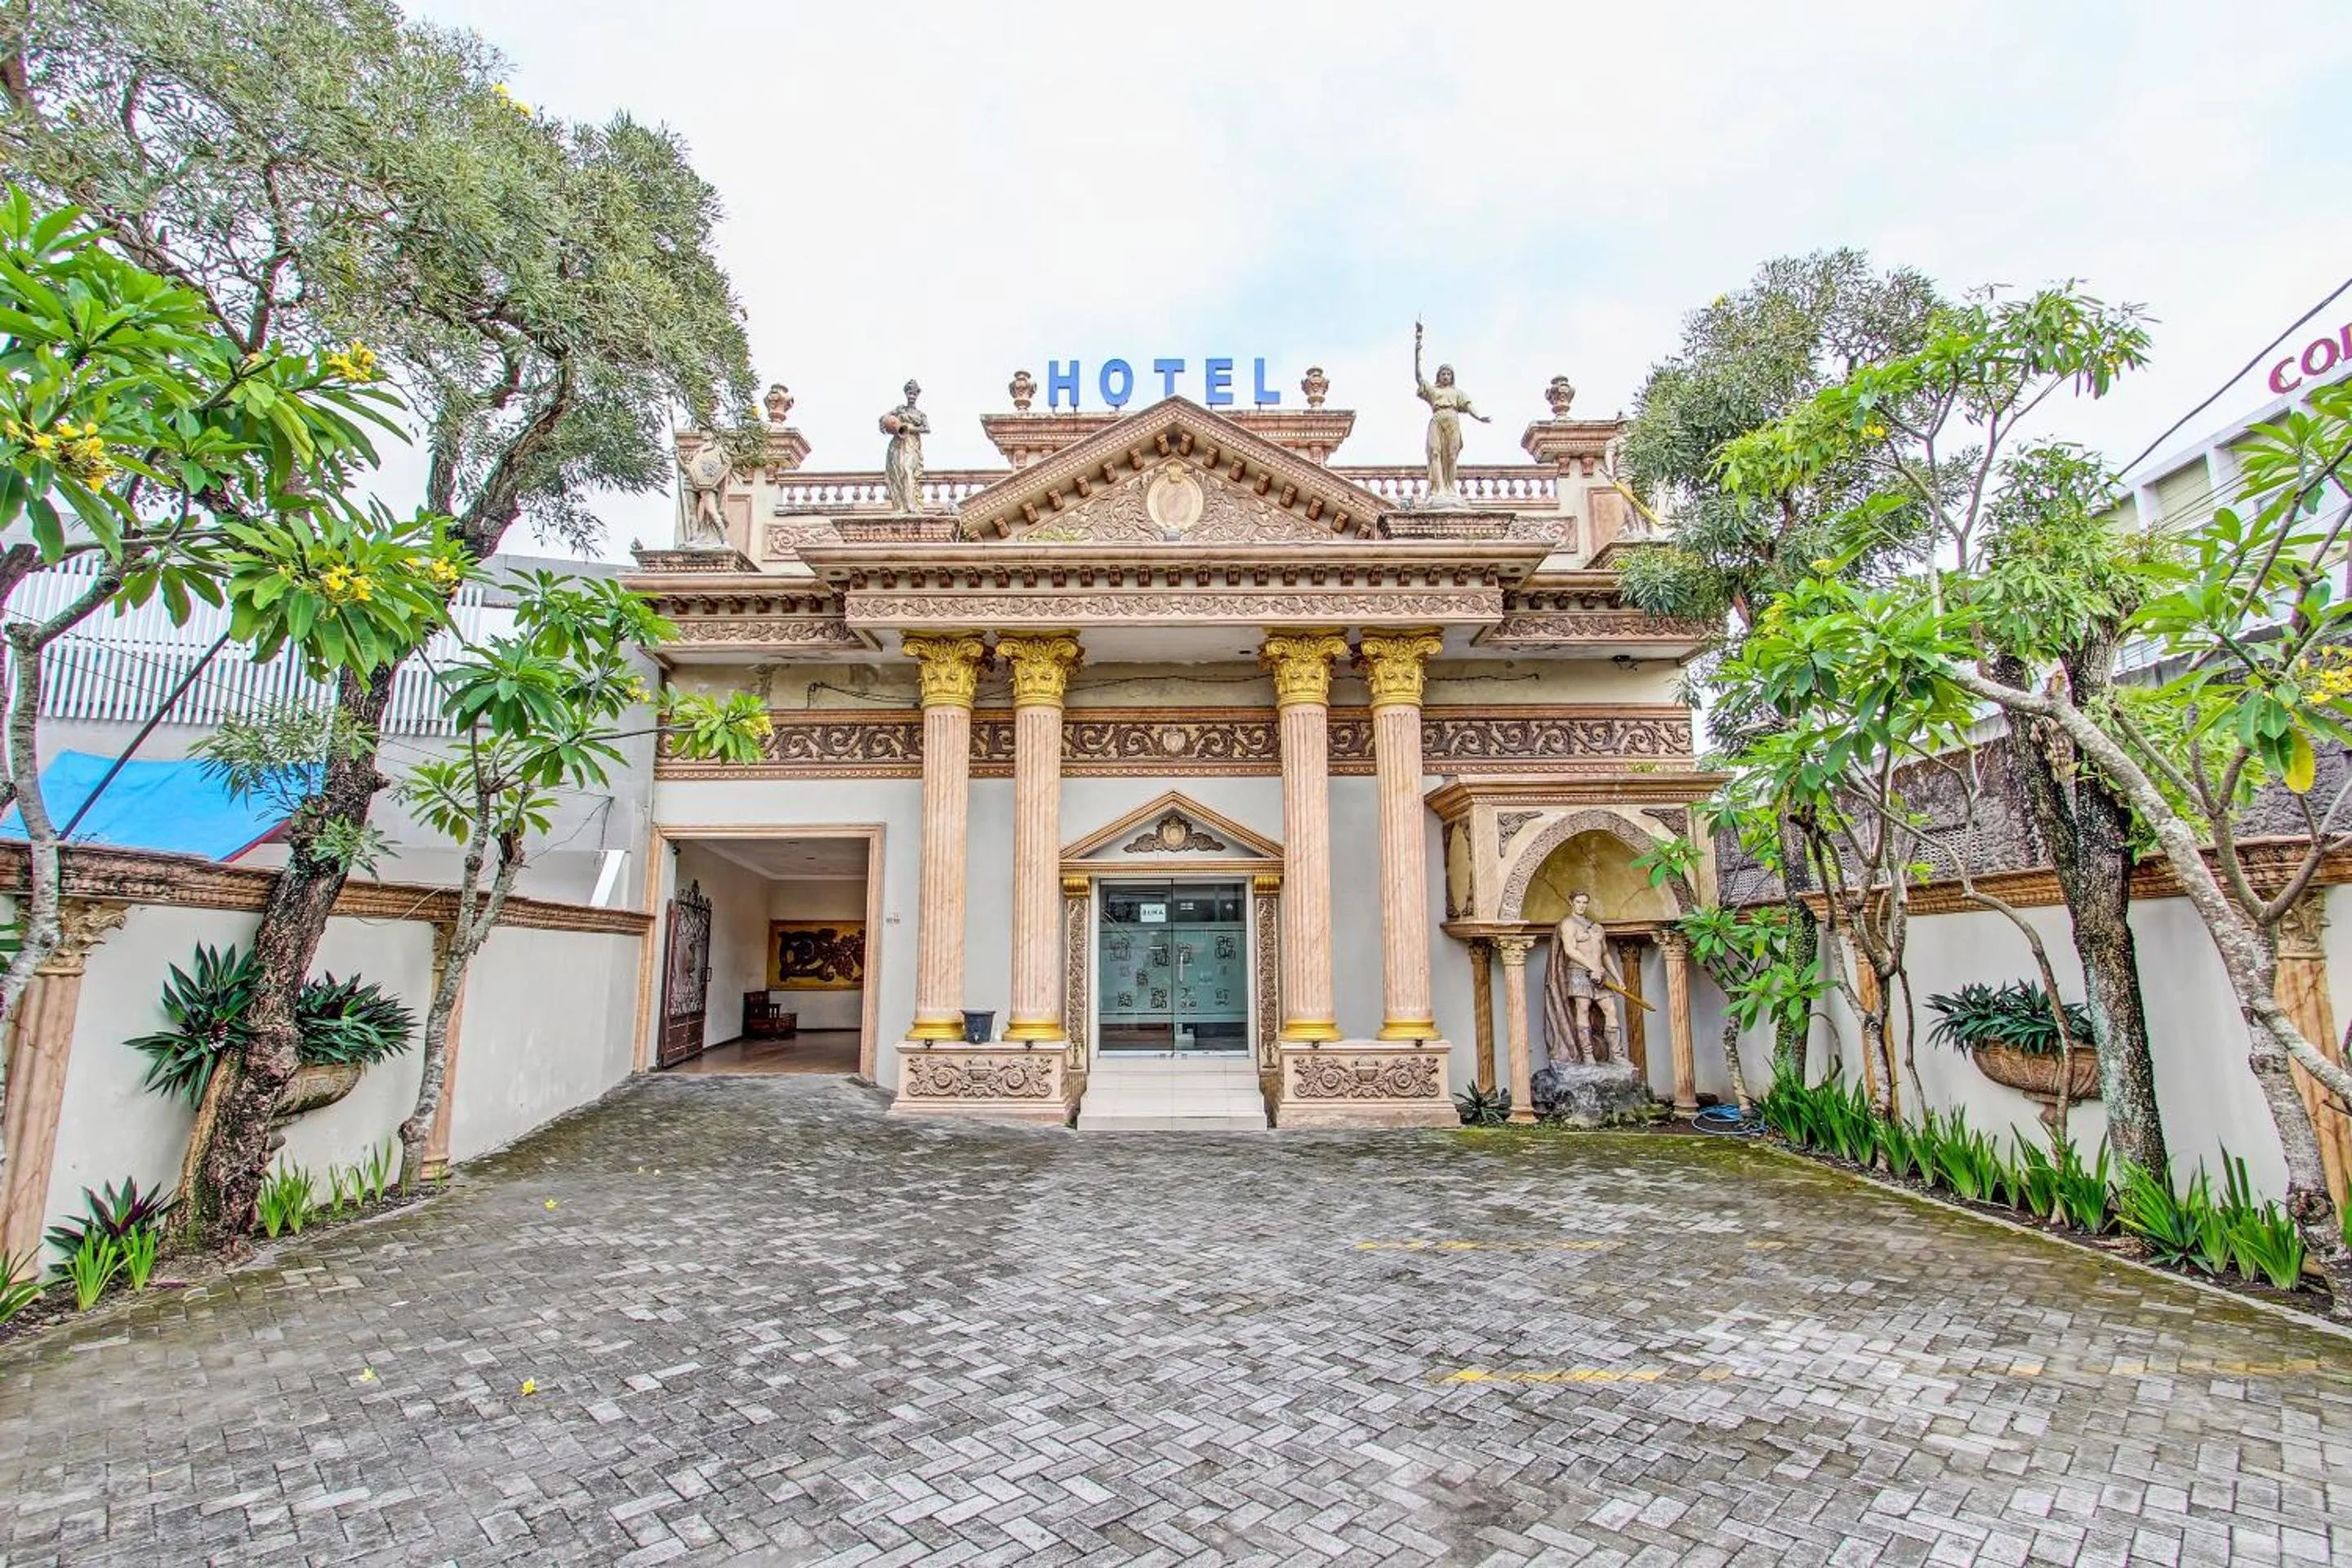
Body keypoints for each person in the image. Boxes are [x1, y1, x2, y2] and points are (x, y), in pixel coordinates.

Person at [1413, 321, 1491, 504]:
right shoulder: (1433, 391)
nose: (1446, 376)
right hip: (1438, 419)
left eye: (1448, 374)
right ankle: (1438, 488)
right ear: (1438, 376)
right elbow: (1418, 377)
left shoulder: (1457, 393)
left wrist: (1479, 417)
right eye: (1443, 373)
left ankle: (1450, 488)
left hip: (1453, 420)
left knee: (1451, 455)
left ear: (1452, 376)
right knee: (1435, 452)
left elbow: (1468, 405)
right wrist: (1417, 351)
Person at [1543, 889, 1623, 1066]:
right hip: (1579, 973)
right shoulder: (1568, 924)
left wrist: (1618, 979)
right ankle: (1587, 1055)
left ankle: (1616, 1054)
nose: (1581, 905)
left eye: (1584, 902)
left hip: (1600, 974)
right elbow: (1571, 950)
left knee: (1610, 1009)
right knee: (1583, 1009)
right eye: (1578, 902)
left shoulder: (1596, 927)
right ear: (1571, 902)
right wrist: (1592, 967)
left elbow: (1606, 954)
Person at [880, 379, 929, 514]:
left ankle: (911, 506)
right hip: (897, 444)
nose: (911, 396)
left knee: (907, 471)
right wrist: (889, 422)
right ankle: (901, 506)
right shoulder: (899, 410)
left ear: (917, 394)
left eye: (914, 393)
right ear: (906, 394)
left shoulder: (920, 414)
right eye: (909, 393)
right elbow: (883, 419)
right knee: (897, 473)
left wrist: (910, 428)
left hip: (911, 445)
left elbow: (927, 429)